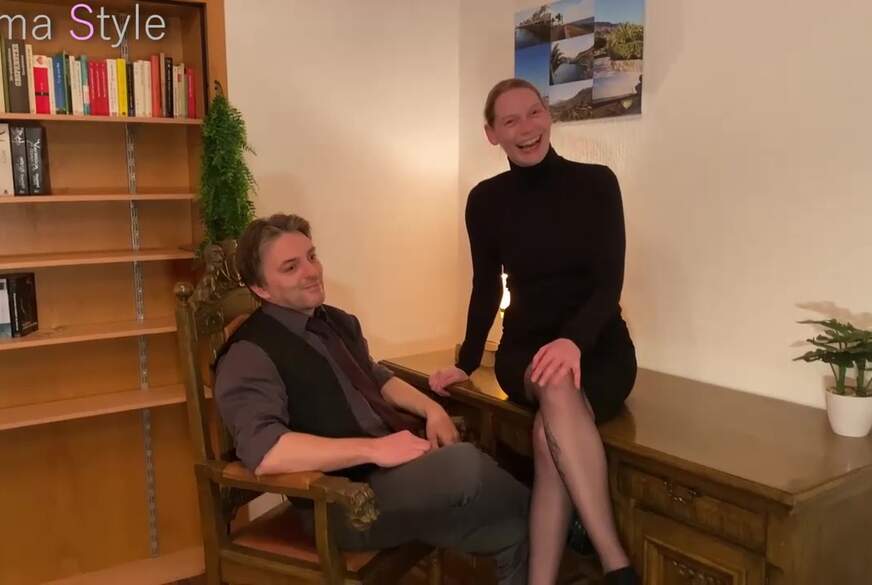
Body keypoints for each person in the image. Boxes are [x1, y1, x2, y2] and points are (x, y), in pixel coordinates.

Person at [214, 213, 531, 585]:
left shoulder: (335, 321)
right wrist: (374, 449)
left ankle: (548, 518)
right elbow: (267, 452)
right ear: (261, 289)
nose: (311, 271)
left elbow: (376, 378)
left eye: (312, 257)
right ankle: (565, 518)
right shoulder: (249, 353)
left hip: (393, 476)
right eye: (291, 267)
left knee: (516, 531)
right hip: (341, 500)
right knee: (466, 465)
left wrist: (432, 409)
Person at [429, 79, 638, 585]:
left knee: (549, 438)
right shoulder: (485, 201)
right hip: (525, 350)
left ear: (549, 115)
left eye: (534, 112)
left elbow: (609, 282)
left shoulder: (598, 184)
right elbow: (485, 287)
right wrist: (466, 360)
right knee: (553, 379)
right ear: (492, 134)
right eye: (510, 120)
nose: (526, 128)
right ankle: (617, 564)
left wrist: (574, 341)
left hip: (600, 348)